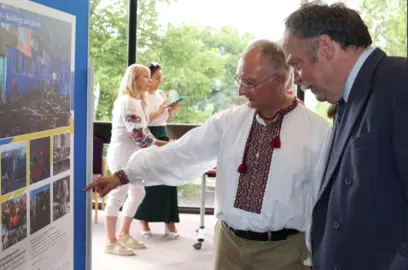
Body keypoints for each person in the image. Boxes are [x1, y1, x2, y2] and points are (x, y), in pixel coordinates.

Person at [84, 40, 330, 270]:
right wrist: (124, 175)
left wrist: (311, 258)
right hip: (228, 247)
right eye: (240, 80)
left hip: (284, 253)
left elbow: (324, 205)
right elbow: (181, 153)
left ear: (279, 81)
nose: (242, 90)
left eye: (251, 82)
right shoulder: (229, 121)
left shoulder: (317, 133)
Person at [282, 2, 408, 269]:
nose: (295, 78)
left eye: (296, 64)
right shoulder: (347, 100)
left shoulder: (400, 84)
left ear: (326, 48)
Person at [102, 63, 168, 256]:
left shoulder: (139, 102)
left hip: (134, 156)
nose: (150, 81)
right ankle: (110, 241)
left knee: (138, 193)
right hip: (122, 154)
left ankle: (122, 234)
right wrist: (167, 145)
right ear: (134, 79)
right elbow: (140, 137)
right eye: (145, 77)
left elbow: (144, 131)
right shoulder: (127, 102)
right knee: (118, 195)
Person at [135, 62, 181, 238]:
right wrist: (160, 110)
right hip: (149, 137)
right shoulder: (142, 97)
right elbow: (145, 121)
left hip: (163, 136)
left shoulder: (161, 95)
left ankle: (170, 222)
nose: (159, 81)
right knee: (148, 180)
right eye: (156, 78)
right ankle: (143, 221)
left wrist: (169, 111)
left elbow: (163, 119)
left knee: (169, 179)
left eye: (160, 78)